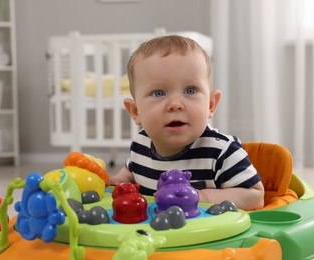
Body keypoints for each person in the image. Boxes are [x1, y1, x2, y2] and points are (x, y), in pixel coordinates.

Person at [110, 35, 264, 210]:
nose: (175, 104)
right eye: (158, 93)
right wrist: (121, 181)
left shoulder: (222, 151)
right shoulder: (140, 143)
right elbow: (132, 171)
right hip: (152, 234)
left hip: (203, 235)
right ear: (136, 111)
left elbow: (255, 195)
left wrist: (201, 196)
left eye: (190, 90)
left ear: (210, 105)